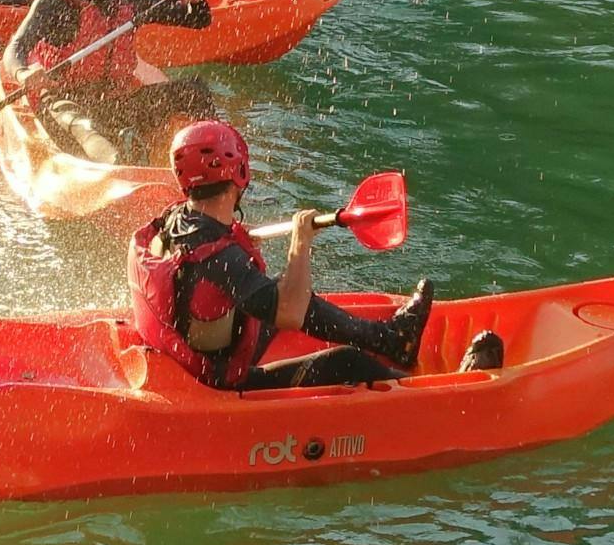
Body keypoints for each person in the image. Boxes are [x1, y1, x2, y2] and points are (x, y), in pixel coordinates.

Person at [128, 121, 505, 390]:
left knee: (280, 293)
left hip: (184, 352)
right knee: (345, 360)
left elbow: (215, 270)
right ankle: (443, 393)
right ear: (240, 171)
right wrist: (301, 241)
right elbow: (290, 311)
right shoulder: (222, 261)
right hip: (217, 379)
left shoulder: (176, 221)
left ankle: (389, 339)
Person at [0, 0, 218, 164]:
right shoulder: (53, 3)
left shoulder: (133, 0)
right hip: (64, 102)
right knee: (86, 127)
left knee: (194, 91)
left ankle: (214, 155)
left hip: (117, 102)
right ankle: (118, 163)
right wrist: (23, 73)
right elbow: (16, 47)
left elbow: (198, 20)